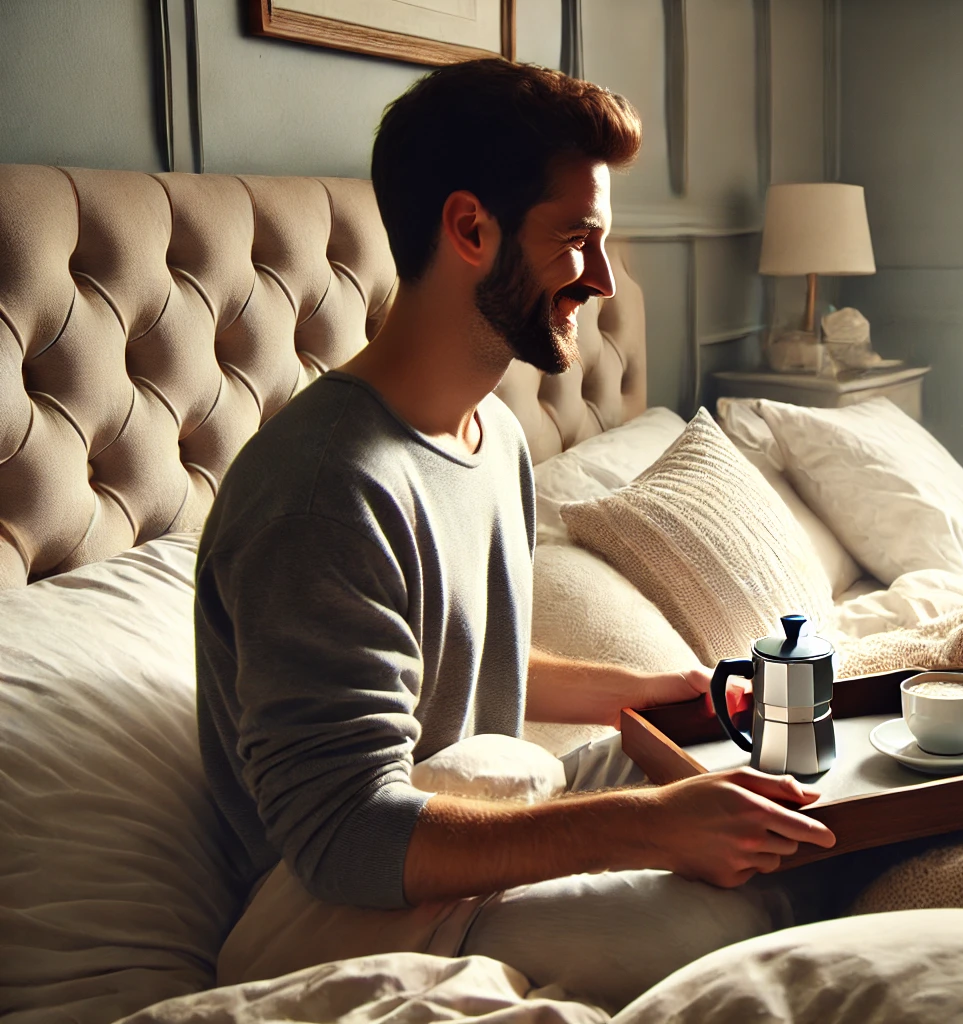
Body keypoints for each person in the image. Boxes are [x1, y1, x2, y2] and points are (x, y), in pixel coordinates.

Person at [194, 59, 834, 1011]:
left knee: (797, 816)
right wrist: (650, 828)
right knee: (735, 926)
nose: (605, 279)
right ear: (468, 227)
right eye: (577, 240)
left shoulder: (489, 437)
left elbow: (459, 656)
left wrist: (655, 694)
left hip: (465, 817)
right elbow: (345, 837)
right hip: (334, 901)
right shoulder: (326, 491)